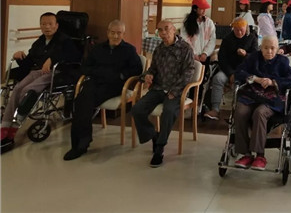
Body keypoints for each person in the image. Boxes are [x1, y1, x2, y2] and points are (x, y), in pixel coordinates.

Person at [63, 20, 143, 161]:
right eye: (113, 33)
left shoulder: (129, 50)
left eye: (119, 33)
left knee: (85, 102)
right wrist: (98, 72)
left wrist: (120, 75)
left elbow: (137, 69)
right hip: (96, 82)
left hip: (115, 85)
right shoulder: (98, 49)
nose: (116, 36)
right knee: (79, 101)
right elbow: (85, 67)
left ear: (123, 34)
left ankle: (81, 145)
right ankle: (79, 143)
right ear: (108, 33)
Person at [1, 12, 79, 150]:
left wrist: (52, 59)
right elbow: (29, 62)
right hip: (37, 72)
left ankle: (15, 126)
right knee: (17, 88)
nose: (47, 27)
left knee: (28, 90)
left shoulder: (65, 40)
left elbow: (74, 56)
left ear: (56, 26)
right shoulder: (39, 42)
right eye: (44, 24)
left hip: (56, 73)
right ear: (40, 26)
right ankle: (5, 126)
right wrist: (19, 57)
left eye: (50, 24)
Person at [132, 20, 195, 167]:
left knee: (169, 111)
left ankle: (159, 148)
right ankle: (153, 135)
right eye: (160, 30)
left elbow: (188, 72)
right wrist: (148, 75)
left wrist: (175, 91)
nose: (164, 33)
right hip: (158, 88)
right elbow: (153, 68)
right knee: (137, 109)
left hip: (176, 90)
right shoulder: (159, 49)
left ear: (174, 30)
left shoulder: (185, 48)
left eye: (167, 29)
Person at [233, 36, 291, 170]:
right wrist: (255, 78)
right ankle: (246, 154)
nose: (269, 51)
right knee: (240, 111)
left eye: (272, 48)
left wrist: (273, 82)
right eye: (266, 48)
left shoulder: (282, 61)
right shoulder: (253, 58)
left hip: (272, 98)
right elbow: (239, 72)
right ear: (261, 48)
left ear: (277, 49)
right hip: (251, 95)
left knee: (259, 113)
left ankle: (260, 155)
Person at [204, 18, 258, 121]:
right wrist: (231, 73)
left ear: (246, 28)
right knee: (218, 79)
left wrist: (246, 54)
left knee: (243, 84)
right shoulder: (227, 39)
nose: (239, 32)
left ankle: (239, 113)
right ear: (233, 28)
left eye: (241, 30)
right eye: (236, 30)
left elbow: (255, 57)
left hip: (245, 71)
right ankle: (215, 109)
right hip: (228, 69)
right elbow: (222, 59)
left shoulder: (252, 38)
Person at [181, 0, 216, 65]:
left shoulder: (209, 22)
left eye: (205, 8)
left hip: (205, 57)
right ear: (195, 9)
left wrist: (205, 53)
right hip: (191, 56)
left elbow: (212, 39)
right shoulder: (187, 22)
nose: (204, 11)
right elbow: (185, 39)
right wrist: (193, 53)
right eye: (202, 8)